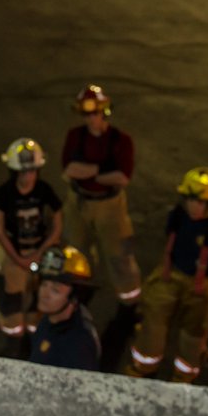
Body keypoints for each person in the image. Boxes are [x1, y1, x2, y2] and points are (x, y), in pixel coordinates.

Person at [124, 167, 208, 383]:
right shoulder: (177, 218)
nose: (194, 206)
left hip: (201, 290)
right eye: (190, 199)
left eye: (200, 202)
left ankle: (183, 378)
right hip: (169, 278)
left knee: (193, 338)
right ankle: (142, 368)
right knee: (153, 328)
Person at [60, 84, 142, 314]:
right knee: (77, 251)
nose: (90, 118)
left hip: (110, 206)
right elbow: (68, 170)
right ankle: (79, 293)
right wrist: (102, 170)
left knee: (119, 255)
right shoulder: (75, 136)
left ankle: (130, 301)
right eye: (86, 113)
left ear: (105, 111)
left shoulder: (121, 141)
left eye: (94, 112)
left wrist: (87, 170)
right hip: (78, 202)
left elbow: (122, 178)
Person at [0, 137, 63, 341]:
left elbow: (58, 223)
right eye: (23, 172)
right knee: (13, 294)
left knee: (41, 291)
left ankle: (35, 329)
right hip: (15, 252)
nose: (28, 176)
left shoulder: (44, 191)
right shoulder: (3, 194)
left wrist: (40, 253)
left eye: (32, 171)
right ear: (14, 172)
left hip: (40, 251)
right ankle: (12, 333)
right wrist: (19, 259)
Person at [28, 245, 101, 371]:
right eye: (44, 284)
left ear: (74, 297)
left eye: (55, 290)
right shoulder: (49, 319)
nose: (44, 294)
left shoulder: (77, 346)